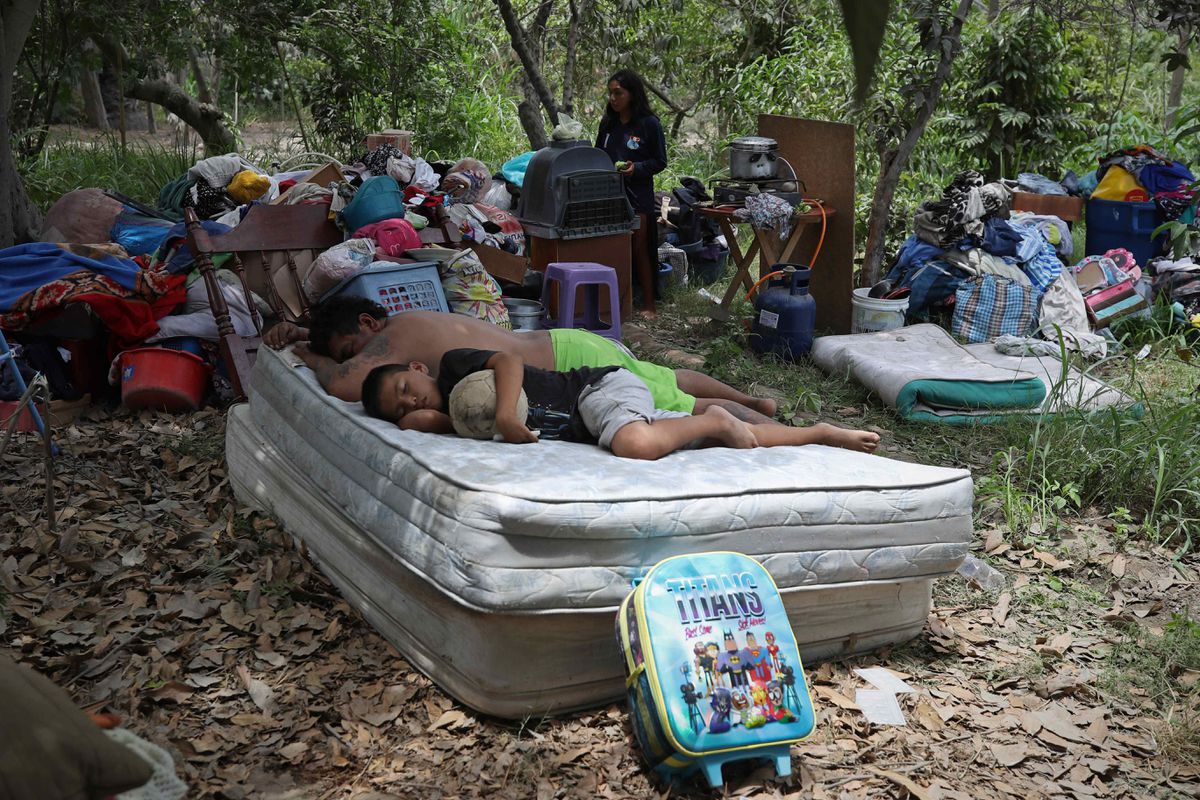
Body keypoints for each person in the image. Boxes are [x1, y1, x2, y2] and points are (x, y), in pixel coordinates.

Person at [266, 297, 778, 421]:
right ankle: (751, 397)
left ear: (368, 325)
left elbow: (346, 384)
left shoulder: (392, 339)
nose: (363, 359)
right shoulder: (412, 320)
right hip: (564, 341)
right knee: (665, 376)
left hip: (564, 363)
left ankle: (773, 434)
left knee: (679, 404)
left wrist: (307, 352)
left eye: (353, 348)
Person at [358, 349, 880, 460]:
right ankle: (820, 431)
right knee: (731, 439)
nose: (411, 400)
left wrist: (503, 413)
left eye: (406, 386)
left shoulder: (455, 367)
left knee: (634, 443)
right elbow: (428, 422)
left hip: (596, 389)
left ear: (417, 368)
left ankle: (718, 414)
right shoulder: (459, 419)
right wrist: (419, 419)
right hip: (594, 421)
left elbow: (508, 362)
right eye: (399, 407)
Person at [596, 69, 667, 315]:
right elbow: (598, 154)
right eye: (611, 93)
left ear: (632, 94)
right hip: (610, 194)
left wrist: (636, 168)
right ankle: (613, 304)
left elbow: (659, 161)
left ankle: (649, 304)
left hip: (638, 195)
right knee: (612, 247)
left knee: (639, 247)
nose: (614, 99)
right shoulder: (608, 124)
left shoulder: (649, 124)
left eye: (619, 93)